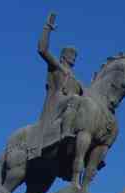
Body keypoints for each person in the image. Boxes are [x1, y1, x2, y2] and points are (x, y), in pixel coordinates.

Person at [36, 12, 84, 148]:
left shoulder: (77, 80)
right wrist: (47, 28)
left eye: (75, 55)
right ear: (63, 56)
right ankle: (65, 133)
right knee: (75, 99)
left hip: (71, 104)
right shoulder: (57, 67)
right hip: (57, 101)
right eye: (70, 54)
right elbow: (42, 49)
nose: (73, 57)